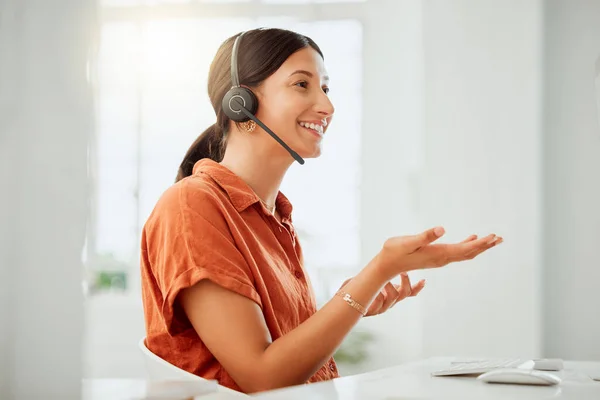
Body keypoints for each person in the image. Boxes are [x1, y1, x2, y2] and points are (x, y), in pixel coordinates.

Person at [139, 27, 503, 394]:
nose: (327, 107)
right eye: (302, 85)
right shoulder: (192, 206)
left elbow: (285, 357)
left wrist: (353, 301)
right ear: (241, 102)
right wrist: (379, 271)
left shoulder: (273, 217)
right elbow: (263, 377)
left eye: (325, 88)